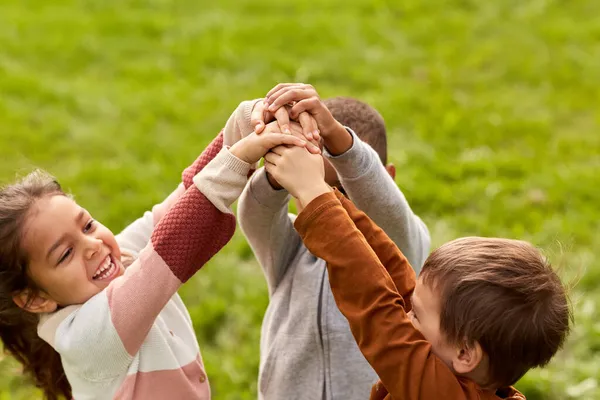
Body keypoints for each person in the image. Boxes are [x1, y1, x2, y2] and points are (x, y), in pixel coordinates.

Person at [0, 106, 309, 399]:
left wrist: (245, 122)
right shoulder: (87, 336)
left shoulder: (116, 261)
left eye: (88, 225)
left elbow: (178, 204)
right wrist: (239, 158)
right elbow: (169, 250)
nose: (93, 246)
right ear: (34, 299)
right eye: (65, 254)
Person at [265, 141, 572, 400]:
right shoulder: (469, 376)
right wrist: (328, 197)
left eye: (416, 315)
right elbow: (397, 280)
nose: (405, 314)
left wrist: (313, 192)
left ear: (466, 354)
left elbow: (377, 310)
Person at [238, 83, 430, 399]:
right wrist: (279, 164)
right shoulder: (291, 245)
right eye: (310, 183)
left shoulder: (405, 238)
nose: (325, 199)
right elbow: (255, 214)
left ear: (388, 177)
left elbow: (384, 203)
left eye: (342, 188)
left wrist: (339, 142)